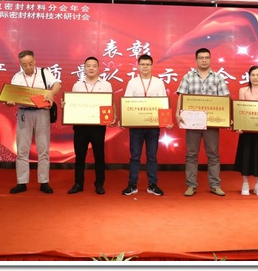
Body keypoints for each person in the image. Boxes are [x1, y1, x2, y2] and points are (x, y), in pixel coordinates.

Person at [6, 50, 61, 195]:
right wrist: (10, 101)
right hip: (24, 114)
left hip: (42, 113)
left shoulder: (44, 73)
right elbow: (11, 96)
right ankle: (21, 182)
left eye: (30, 63)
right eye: (24, 65)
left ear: (35, 61)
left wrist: (51, 93)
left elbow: (57, 84)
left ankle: (44, 182)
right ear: (20, 64)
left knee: (43, 149)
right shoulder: (17, 77)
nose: (28, 67)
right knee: (22, 150)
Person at [176, 48, 230, 197]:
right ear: (196, 60)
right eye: (201, 58)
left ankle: (215, 185)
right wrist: (177, 113)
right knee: (191, 155)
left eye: (206, 57)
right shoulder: (188, 77)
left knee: (213, 155)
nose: (204, 60)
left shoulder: (218, 78)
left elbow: (225, 99)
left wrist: (227, 117)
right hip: (192, 123)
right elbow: (181, 96)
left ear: (210, 59)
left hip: (211, 124)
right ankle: (191, 185)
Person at [121, 54, 170, 196]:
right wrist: (124, 120)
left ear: (152, 66)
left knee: (152, 156)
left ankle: (152, 185)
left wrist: (166, 121)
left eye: (148, 64)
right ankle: (132, 185)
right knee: (135, 156)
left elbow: (163, 103)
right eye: (142, 64)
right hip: (136, 127)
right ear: (138, 66)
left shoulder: (158, 82)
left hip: (153, 127)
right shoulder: (132, 83)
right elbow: (127, 103)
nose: (145, 67)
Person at [66, 56, 115, 195]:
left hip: (98, 127)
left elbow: (110, 103)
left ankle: (99, 184)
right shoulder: (77, 85)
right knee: (79, 156)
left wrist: (113, 117)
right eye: (88, 66)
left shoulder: (106, 85)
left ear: (98, 68)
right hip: (80, 127)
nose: (91, 68)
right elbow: (73, 104)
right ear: (84, 68)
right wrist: (66, 106)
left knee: (99, 156)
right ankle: (78, 183)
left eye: (94, 66)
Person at [234, 65, 258, 196]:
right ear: (249, 77)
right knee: (246, 156)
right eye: (253, 75)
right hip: (247, 130)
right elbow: (240, 110)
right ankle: (245, 184)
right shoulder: (243, 90)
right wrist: (239, 125)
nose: (255, 77)